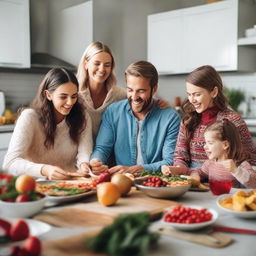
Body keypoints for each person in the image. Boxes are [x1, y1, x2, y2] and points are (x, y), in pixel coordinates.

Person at [89, 61, 181, 176]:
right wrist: (96, 161)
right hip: (122, 182)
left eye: (141, 91)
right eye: (130, 90)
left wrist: (136, 169)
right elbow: (102, 148)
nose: (134, 97)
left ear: (154, 89)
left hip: (156, 183)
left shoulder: (170, 118)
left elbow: (170, 161)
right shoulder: (113, 112)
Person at [162, 65, 256, 176]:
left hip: (224, 182)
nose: (192, 100)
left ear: (214, 92)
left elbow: (251, 160)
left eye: (197, 94)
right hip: (193, 181)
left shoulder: (233, 121)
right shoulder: (188, 121)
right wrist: (177, 169)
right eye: (189, 94)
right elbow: (180, 156)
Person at [3, 68, 93, 180]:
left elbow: (85, 152)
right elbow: (10, 163)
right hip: (36, 186)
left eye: (74, 96)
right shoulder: (29, 117)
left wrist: (84, 165)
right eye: (63, 97)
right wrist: (45, 170)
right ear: (48, 95)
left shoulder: (82, 116)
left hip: (72, 183)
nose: (70, 102)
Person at [77, 41, 169, 141]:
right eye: (97, 63)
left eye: (107, 65)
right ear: (86, 64)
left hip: (109, 154)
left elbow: (138, 97)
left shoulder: (119, 95)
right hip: (80, 154)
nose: (102, 69)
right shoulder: (74, 95)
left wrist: (158, 102)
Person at [190, 119, 256, 188]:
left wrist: (236, 171)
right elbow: (198, 171)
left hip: (230, 198)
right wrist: (195, 175)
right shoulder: (210, 163)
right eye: (205, 143)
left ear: (225, 145)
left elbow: (254, 184)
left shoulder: (239, 164)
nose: (205, 147)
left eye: (210, 143)